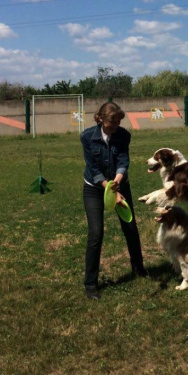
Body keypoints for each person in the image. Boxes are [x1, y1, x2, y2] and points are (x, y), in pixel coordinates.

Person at [80, 102, 148, 300]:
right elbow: (92, 168)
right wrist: (109, 188)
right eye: (111, 121)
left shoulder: (123, 135)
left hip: (119, 185)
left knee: (130, 227)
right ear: (100, 118)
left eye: (118, 121)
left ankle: (139, 268)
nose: (115, 125)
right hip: (94, 188)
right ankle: (91, 284)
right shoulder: (87, 137)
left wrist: (117, 183)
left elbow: (123, 161)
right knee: (96, 233)